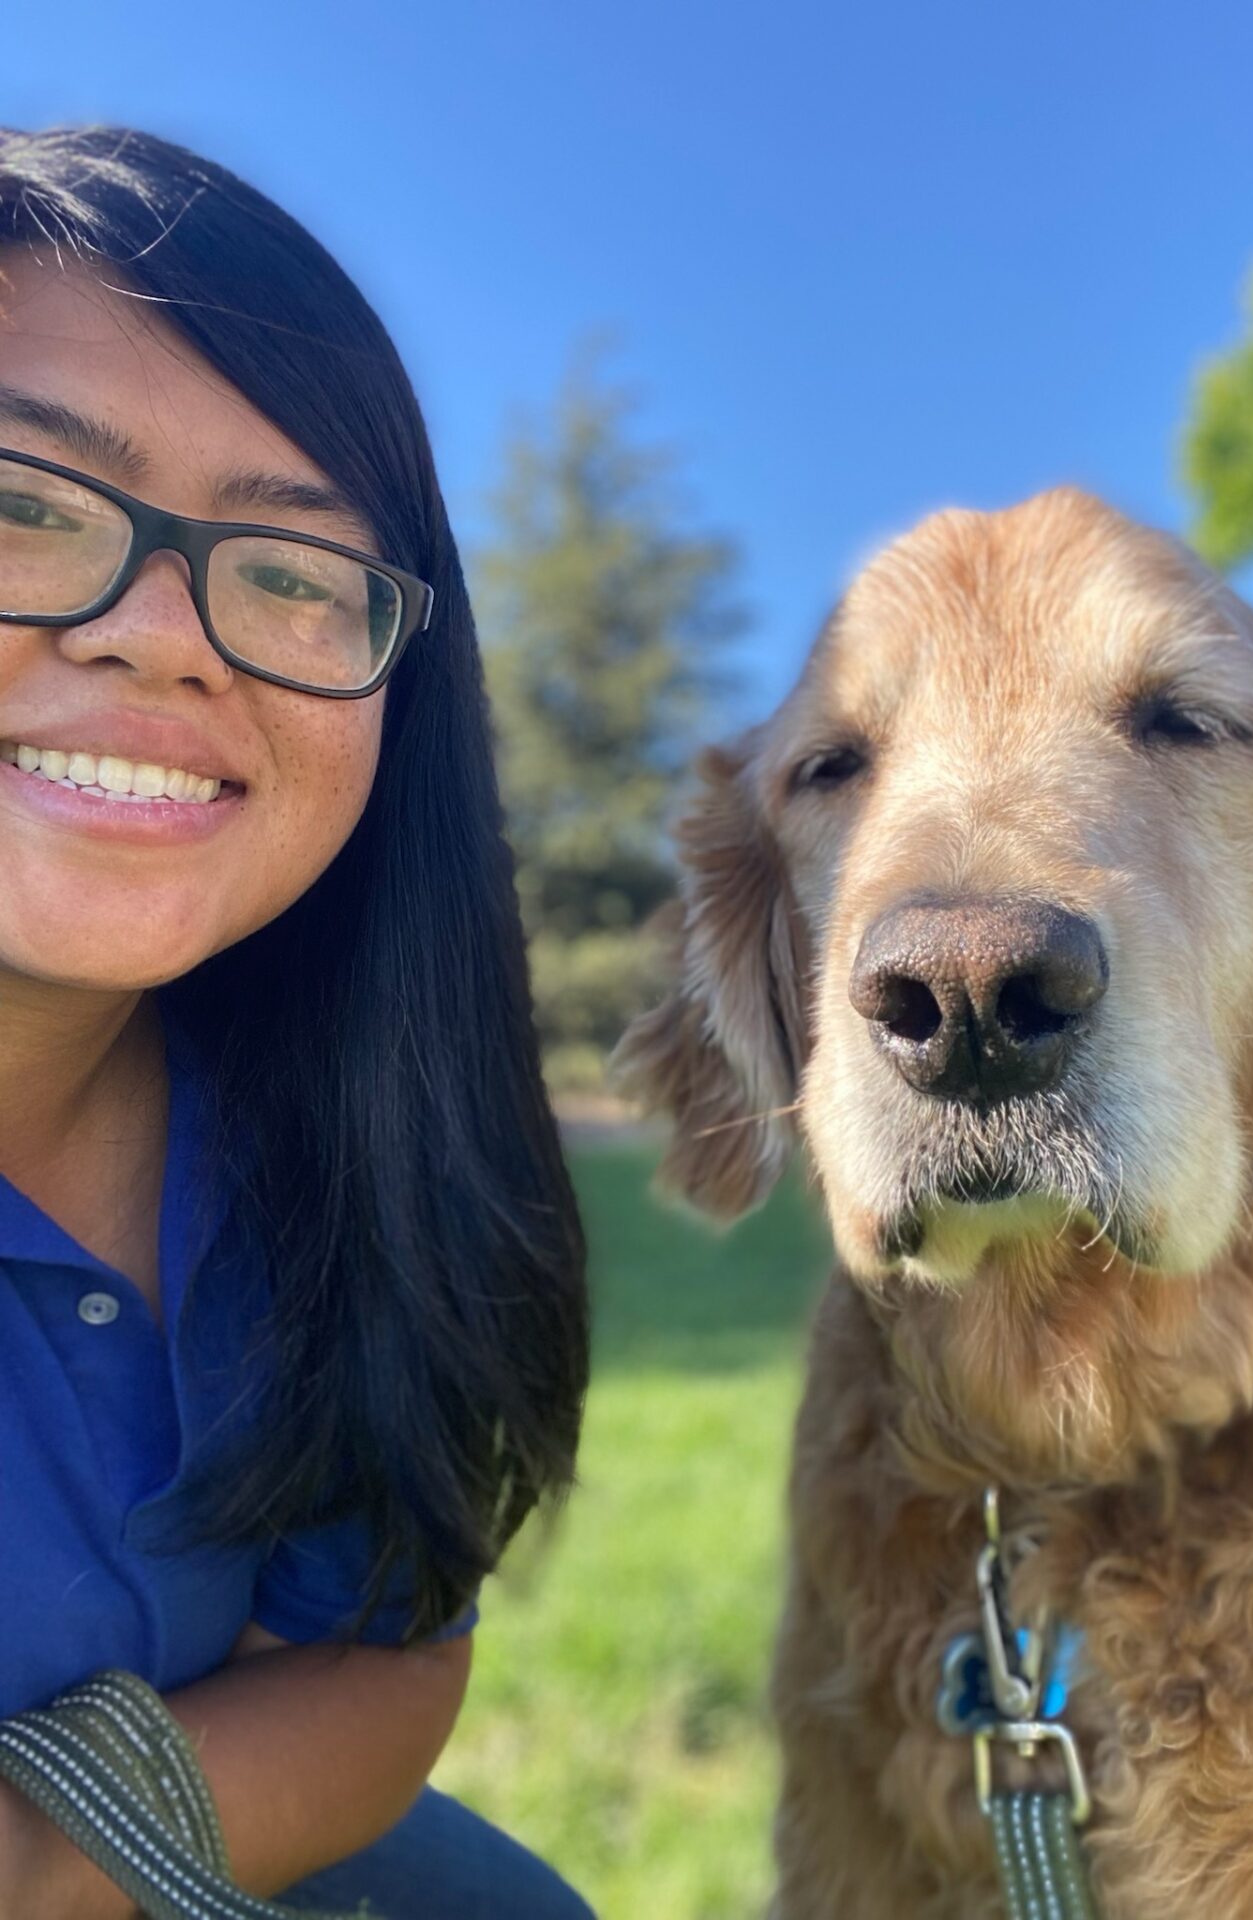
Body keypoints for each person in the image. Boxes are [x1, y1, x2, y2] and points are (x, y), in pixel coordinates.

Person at [0, 125, 592, 1919]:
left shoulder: (326, 1143)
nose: (169, 637)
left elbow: (383, 1652)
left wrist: (39, 1863)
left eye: (290, 571)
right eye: (24, 501)